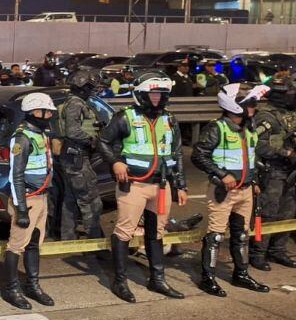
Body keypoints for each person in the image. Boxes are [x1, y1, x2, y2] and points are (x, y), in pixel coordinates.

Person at [98, 73, 188, 303]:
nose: (157, 99)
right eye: (154, 94)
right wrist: (116, 162)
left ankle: (157, 279)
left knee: (156, 233)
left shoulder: (170, 119)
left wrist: (181, 185)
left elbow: (177, 153)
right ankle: (120, 281)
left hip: (161, 186)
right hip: (134, 186)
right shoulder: (124, 117)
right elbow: (103, 141)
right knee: (124, 232)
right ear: (142, 94)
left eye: (161, 95)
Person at [191, 83, 271, 296]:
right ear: (233, 106)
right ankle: (207, 278)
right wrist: (221, 174)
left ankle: (241, 275)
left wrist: (253, 181)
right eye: (250, 103)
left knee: (242, 235)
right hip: (223, 192)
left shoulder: (249, 128)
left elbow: (251, 158)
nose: (254, 106)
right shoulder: (217, 128)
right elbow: (198, 155)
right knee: (215, 236)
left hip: (245, 191)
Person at [0, 92, 58, 309]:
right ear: (33, 112)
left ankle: (33, 285)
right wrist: (21, 209)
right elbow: (16, 175)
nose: (49, 115)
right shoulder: (22, 137)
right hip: (27, 198)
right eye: (45, 111)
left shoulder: (41, 133)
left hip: (41, 197)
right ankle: (11, 289)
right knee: (17, 246)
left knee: (34, 244)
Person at [250, 77, 296, 270]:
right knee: (267, 213)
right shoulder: (266, 116)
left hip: (288, 171)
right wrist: (285, 153)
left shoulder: (288, 115)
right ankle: (257, 253)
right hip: (272, 171)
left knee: (287, 212)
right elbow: (257, 144)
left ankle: (278, 250)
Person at [53, 70, 104, 241]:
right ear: (83, 88)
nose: (92, 91)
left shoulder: (70, 102)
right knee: (90, 201)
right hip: (77, 159)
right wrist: (92, 141)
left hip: (70, 158)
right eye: (91, 88)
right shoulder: (76, 104)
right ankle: (95, 242)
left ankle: (68, 239)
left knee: (70, 200)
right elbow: (73, 131)